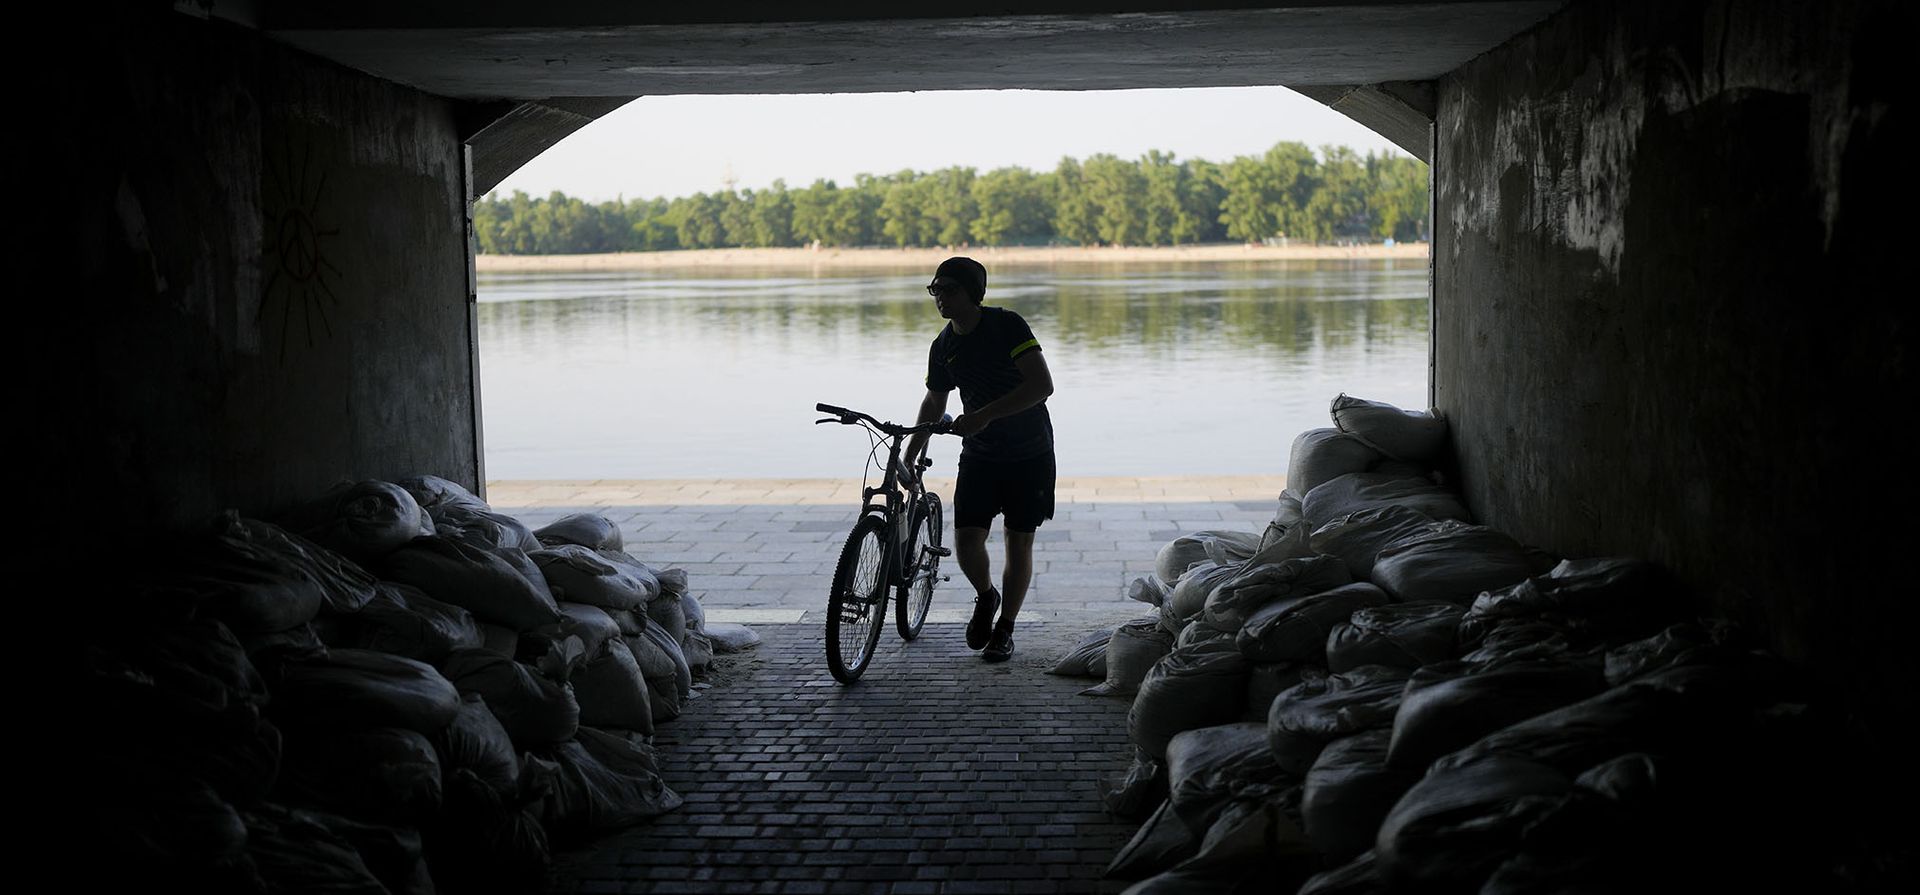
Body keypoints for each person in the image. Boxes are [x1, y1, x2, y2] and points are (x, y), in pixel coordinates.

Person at [904, 257, 1055, 663]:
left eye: (949, 289)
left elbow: (1042, 385)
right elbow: (935, 400)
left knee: (1018, 542)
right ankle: (986, 596)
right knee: (967, 540)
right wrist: (910, 454)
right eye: (935, 289)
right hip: (980, 456)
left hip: (1029, 453)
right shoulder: (943, 345)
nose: (940, 298)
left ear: (974, 294)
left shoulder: (1008, 326)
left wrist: (985, 415)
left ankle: (1005, 628)